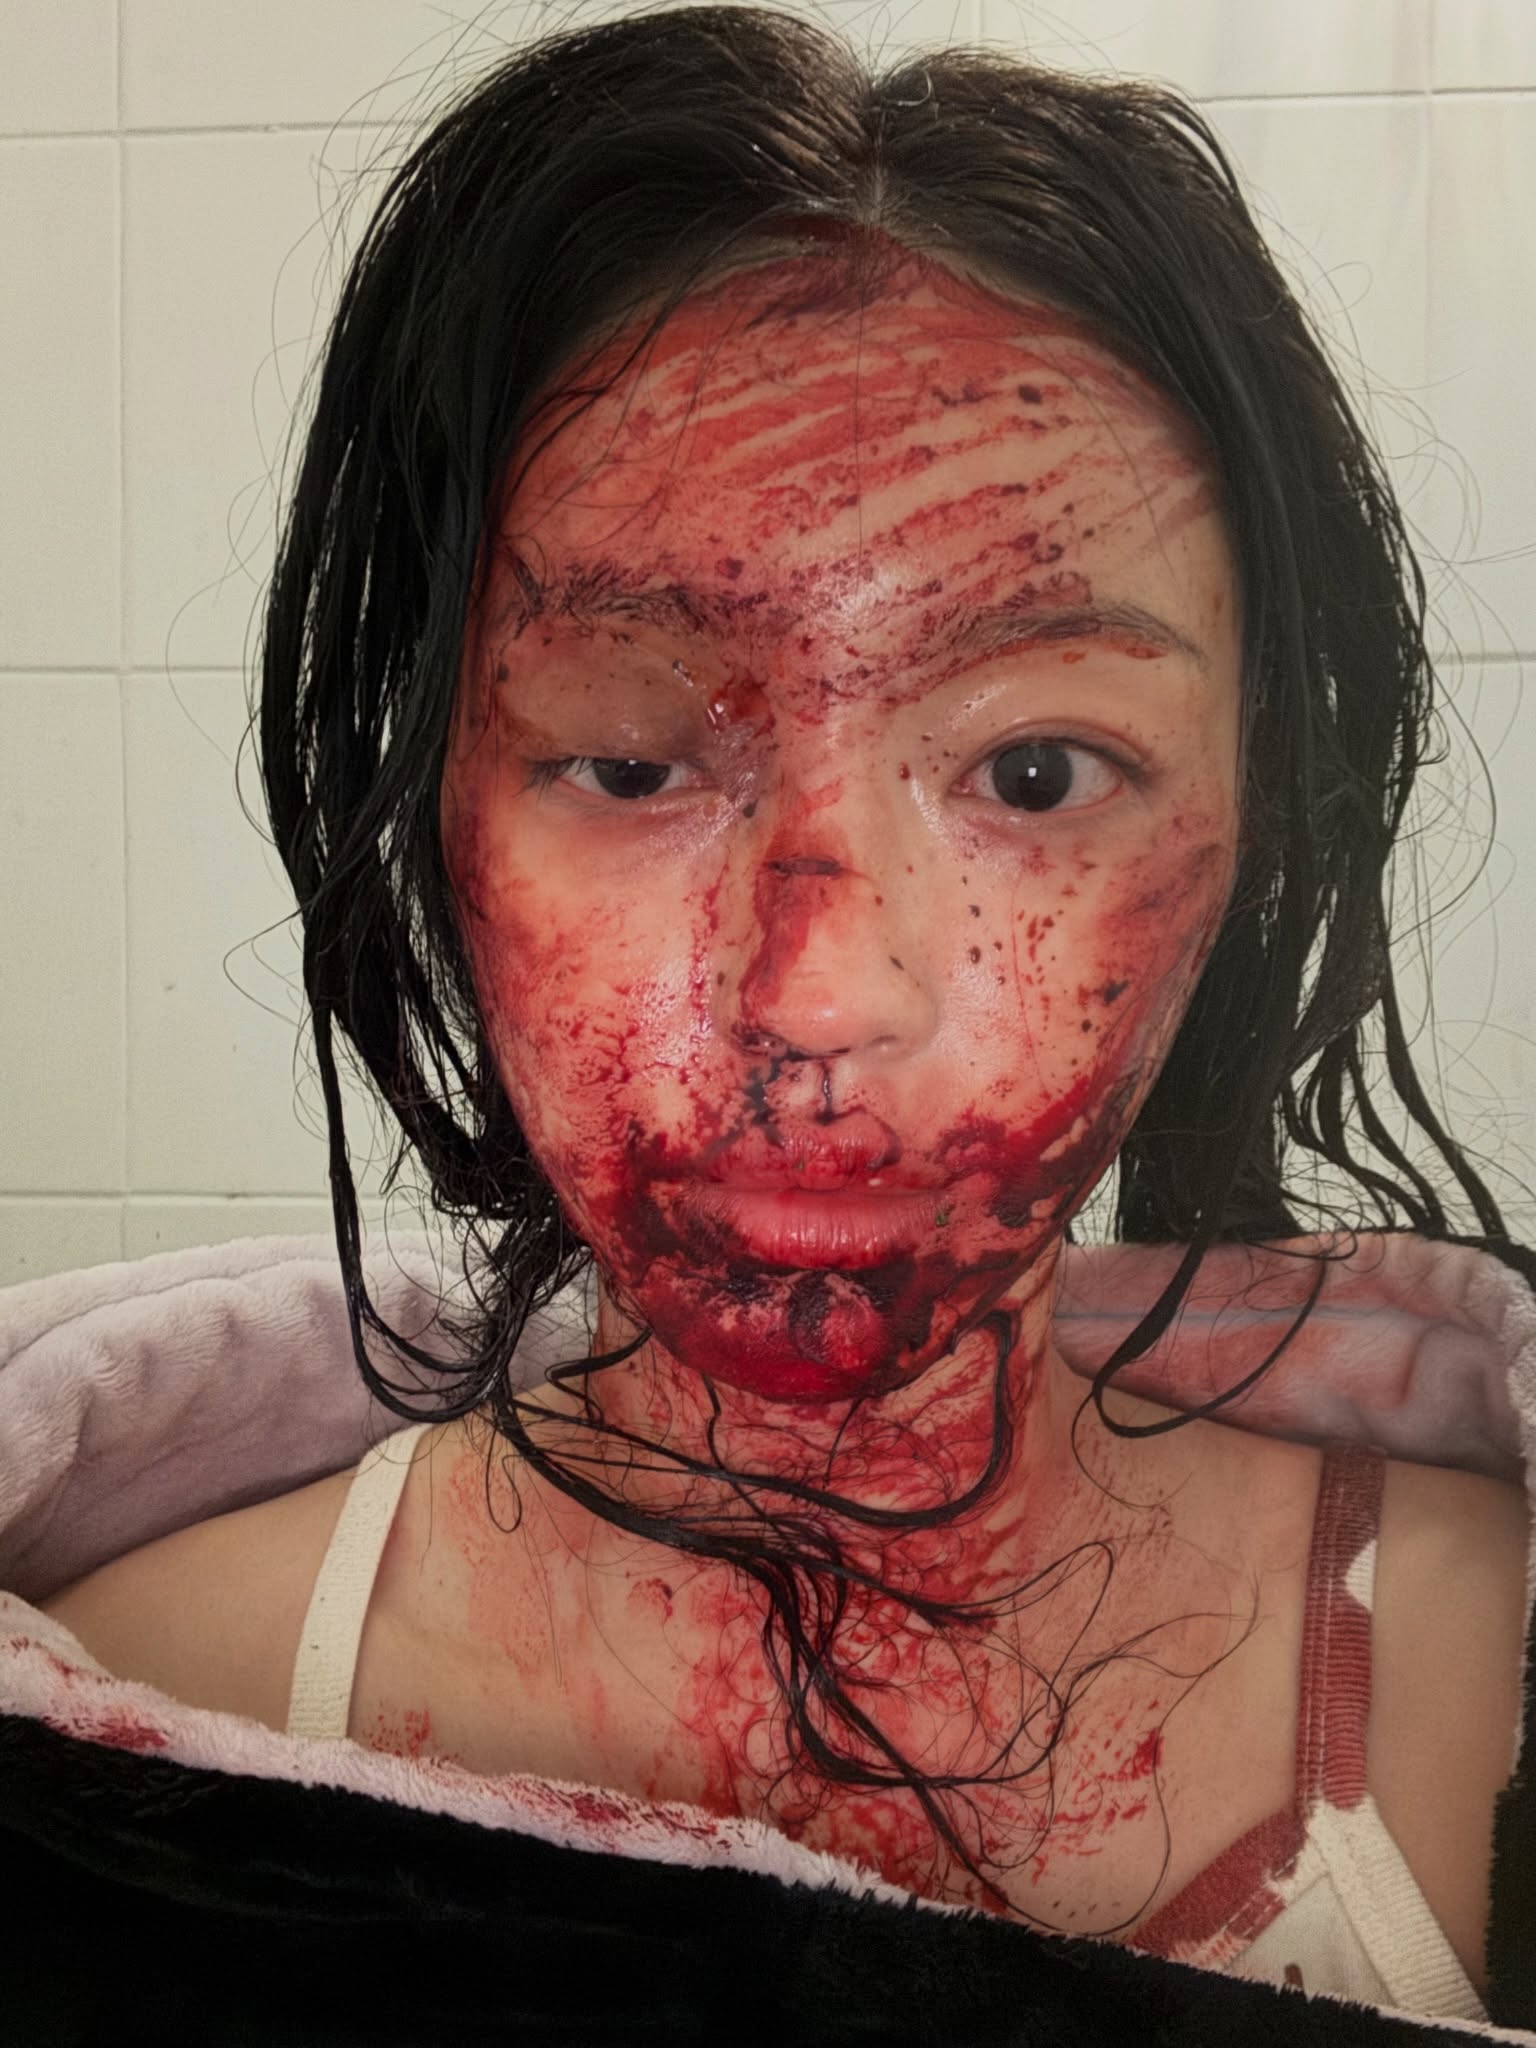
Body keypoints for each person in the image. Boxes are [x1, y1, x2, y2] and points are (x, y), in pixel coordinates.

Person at [4, 7, 1534, 2041]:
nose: (820, 995)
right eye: (633, 765)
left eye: (1038, 772)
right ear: (441, 814)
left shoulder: (1496, 1665)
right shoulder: (137, 1718)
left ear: (1247, 825)